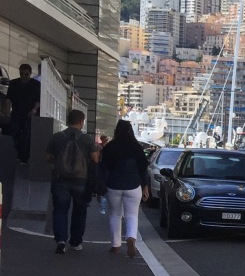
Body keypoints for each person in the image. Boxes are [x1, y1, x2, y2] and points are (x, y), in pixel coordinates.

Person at [45, 109, 100, 253]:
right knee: (80, 211)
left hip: (60, 178)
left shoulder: (57, 137)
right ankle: (75, 242)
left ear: (68, 120)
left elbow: (48, 157)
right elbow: (95, 159)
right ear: (81, 121)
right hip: (81, 180)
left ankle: (61, 240)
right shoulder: (87, 139)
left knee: (60, 210)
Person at [99, 119, 150, 257]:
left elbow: (103, 168)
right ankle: (131, 238)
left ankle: (115, 245)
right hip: (133, 185)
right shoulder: (137, 147)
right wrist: (145, 187)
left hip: (114, 185)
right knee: (132, 215)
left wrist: (102, 186)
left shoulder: (110, 147)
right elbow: (143, 169)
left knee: (115, 214)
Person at [6, 63, 41, 165]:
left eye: (26, 74)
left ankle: (24, 157)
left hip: (28, 113)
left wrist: (34, 110)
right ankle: (18, 153)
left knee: (27, 135)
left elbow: (38, 100)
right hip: (16, 112)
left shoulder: (35, 84)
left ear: (30, 74)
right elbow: (8, 99)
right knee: (14, 133)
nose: (23, 76)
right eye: (21, 74)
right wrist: (7, 111)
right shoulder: (14, 83)